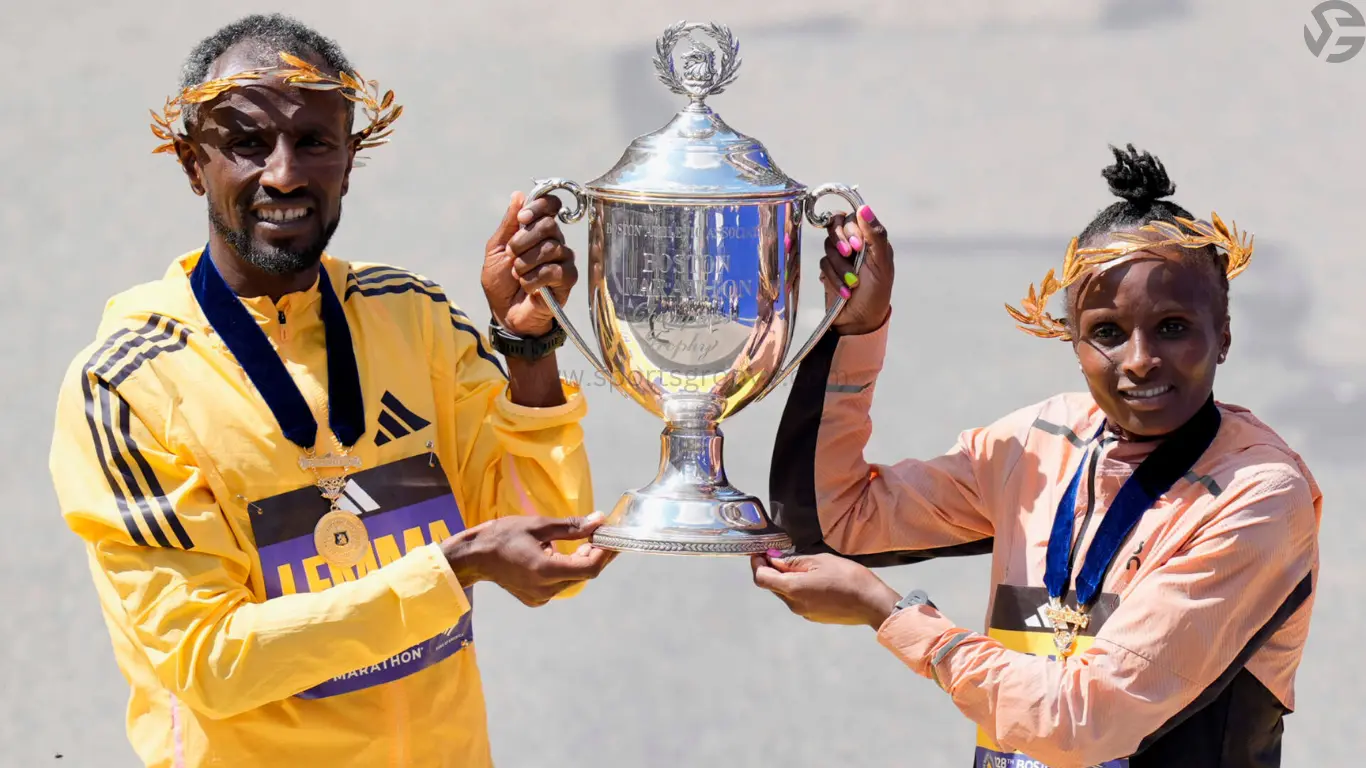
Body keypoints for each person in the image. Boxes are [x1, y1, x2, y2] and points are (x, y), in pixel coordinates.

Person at [48, 14, 615, 768]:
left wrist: (532, 347)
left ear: (350, 160)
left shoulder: (413, 318)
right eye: (247, 143)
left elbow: (550, 542)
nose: (283, 174)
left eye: (313, 141)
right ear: (192, 164)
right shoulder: (127, 384)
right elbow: (210, 663)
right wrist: (450, 570)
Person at [751, 145, 1321, 767]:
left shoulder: (1258, 495)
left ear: (1225, 334)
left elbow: (1084, 720)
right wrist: (859, 329)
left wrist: (890, 613)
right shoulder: (1039, 444)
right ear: (1072, 342)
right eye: (1107, 332)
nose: (1139, 359)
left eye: (1174, 326)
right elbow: (835, 520)